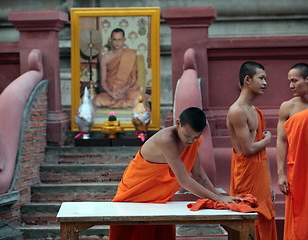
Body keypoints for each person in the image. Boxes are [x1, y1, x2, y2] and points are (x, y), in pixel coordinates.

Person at [109, 107, 241, 240]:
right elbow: (184, 180)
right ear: (178, 123)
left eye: (196, 137)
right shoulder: (167, 140)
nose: (190, 140)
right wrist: (217, 198)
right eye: (187, 135)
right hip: (135, 195)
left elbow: (198, 173)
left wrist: (219, 197)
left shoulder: (192, 142)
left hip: (160, 196)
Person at [226, 61, 277, 239]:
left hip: (260, 176)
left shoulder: (255, 111)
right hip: (246, 177)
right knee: (249, 221)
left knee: (265, 218)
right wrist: (268, 139)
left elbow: (261, 155)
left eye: (265, 79)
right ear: (247, 79)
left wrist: (269, 183)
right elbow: (248, 149)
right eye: (261, 78)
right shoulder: (236, 111)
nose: (265, 83)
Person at [276, 63, 308, 239]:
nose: (291, 86)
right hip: (298, 170)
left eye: (294, 81)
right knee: (298, 216)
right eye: (289, 81)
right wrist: (280, 174)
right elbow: (281, 140)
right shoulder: (287, 107)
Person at [93, 28, 142, 108]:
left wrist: (124, 90)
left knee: (137, 97)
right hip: (111, 92)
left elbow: (133, 78)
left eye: (119, 39)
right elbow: (103, 82)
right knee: (97, 100)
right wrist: (111, 93)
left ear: (124, 40)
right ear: (110, 40)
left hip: (127, 90)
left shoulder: (130, 54)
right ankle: (124, 103)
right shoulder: (104, 58)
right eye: (115, 40)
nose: (117, 43)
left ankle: (118, 103)